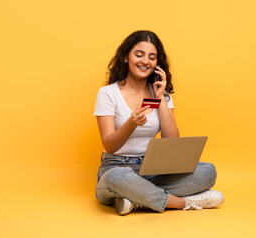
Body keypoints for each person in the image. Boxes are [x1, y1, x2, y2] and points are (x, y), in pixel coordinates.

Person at [94, 30, 224, 215]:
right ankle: (182, 203)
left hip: (153, 168)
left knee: (208, 171)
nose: (145, 61)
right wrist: (131, 123)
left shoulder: (161, 93)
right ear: (125, 57)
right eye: (139, 55)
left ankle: (134, 198)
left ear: (157, 63)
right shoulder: (108, 93)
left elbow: (171, 139)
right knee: (115, 178)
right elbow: (110, 145)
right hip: (117, 167)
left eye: (152, 57)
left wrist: (161, 98)